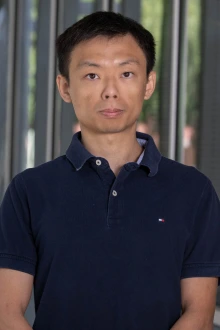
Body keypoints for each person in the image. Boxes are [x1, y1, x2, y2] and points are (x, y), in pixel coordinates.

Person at [0, 11, 220, 330]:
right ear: (64, 87)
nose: (110, 91)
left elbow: (198, 313)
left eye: (127, 74)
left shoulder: (194, 191)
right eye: (92, 75)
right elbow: (6, 313)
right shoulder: (29, 191)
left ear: (149, 83)